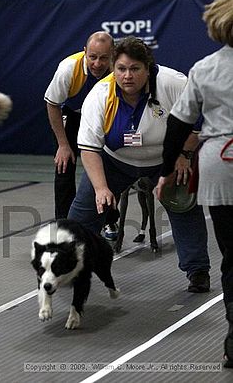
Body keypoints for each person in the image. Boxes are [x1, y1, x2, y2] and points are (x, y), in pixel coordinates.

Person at [68, 36, 210, 293]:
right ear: (113, 69)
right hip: (115, 160)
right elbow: (89, 148)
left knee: (185, 206)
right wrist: (101, 189)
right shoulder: (99, 95)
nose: (127, 76)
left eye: (135, 69)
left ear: (148, 68)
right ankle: (69, 264)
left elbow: (198, 126)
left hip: (167, 159)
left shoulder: (173, 83)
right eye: (121, 69)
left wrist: (184, 157)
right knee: (83, 210)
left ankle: (197, 270)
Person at [156, 0, 233, 367]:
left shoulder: (205, 69)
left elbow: (178, 125)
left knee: (232, 258)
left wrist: (166, 171)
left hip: (221, 171)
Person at [44, 31, 115, 225]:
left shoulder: (119, 70)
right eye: (92, 57)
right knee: (64, 165)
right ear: (85, 52)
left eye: (103, 58)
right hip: (72, 116)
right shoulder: (68, 68)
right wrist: (63, 145)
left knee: (109, 167)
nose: (98, 64)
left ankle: (108, 220)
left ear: (112, 55)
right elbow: (52, 104)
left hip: (102, 118)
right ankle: (64, 224)